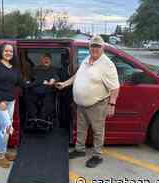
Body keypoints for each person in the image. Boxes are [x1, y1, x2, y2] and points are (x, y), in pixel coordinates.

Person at [55, 35, 120, 168]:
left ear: (103, 48)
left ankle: (97, 155)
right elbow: (77, 75)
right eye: (92, 46)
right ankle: (80, 150)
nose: (95, 49)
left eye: (98, 46)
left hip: (97, 105)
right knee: (81, 128)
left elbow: (115, 87)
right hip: (81, 104)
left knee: (97, 130)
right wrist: (64, 84)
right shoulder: (87, 59)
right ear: (89, 47)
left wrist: (112, 104)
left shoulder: (107, 65)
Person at [26, 53, 59, 121]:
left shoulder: (54, 69)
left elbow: (56, 77)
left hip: (47, 90)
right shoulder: (35, 69)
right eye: (44, 58)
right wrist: (28, 81)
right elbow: (29, 79)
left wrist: (53, 80)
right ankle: (34, 118)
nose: (46, 60)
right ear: (41, 60)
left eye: (48, 59)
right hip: (35, 90)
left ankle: (42, 119)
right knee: (27, 97)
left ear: (50, 60)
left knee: (48, 101)